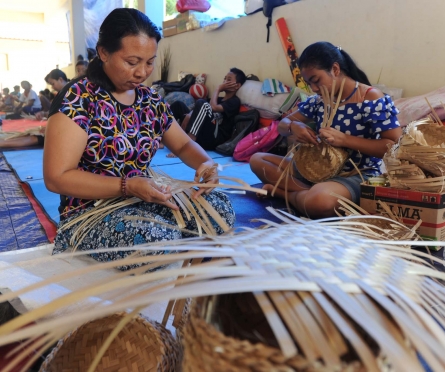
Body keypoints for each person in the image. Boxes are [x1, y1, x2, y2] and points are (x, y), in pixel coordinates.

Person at [43, 8, 234, 269]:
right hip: (91, 211)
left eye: (149, 62)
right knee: (154, 242)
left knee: (218, 209)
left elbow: (183, 144)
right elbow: (57, 177)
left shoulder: (148, 99)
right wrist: (127, 185)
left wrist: (207, 165)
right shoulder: (78, 98)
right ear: (103, 53)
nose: (142, 72)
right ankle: (165, 237)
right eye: (132, 62)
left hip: (145, 197)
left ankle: (169, 234)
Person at [250, 41, 402, 219]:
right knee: (257, 160)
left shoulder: (369, 97)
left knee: (321, 201)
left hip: (356, 174)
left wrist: (344, 140)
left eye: (316, 81)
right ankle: (308, 194)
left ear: (335, 69)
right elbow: (283, 124)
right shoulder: (319, 100)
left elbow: (393, 146)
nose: (314, 89)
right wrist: (294, 126)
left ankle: (285, 193)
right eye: (309, 84)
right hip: (316, 169)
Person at [170, 68, 245, 151]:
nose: (224, 81)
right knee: (178, 105)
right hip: (202, 132)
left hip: (214, 138)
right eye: (224, 78)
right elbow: (199, 110)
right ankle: (163, 137)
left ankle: (189, 143)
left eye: (229, 79)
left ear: (237, 85)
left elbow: (213, 107)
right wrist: (189, 115)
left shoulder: (234, 101)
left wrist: (218, 89)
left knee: (203, 103)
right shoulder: (218, 99)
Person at [0, 69, 70, 149]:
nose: (52, 87)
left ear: (60, 80)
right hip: (60, 126)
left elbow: (66, 116)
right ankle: (4, 141)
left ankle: (3, 143)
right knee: (32, 134)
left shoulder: (71, 93)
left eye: (52, 84)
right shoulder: (63, 93)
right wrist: (44, 114)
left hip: (66, 131)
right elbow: (59, 112)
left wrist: (52, 128)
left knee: (36, 137)